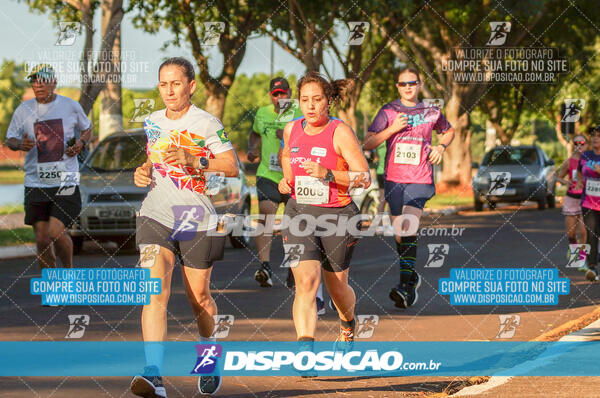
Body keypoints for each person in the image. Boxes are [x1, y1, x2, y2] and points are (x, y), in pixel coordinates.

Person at [129, 57, 238, 397]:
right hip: (155, 213)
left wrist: (195, 159)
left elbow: (232, 166)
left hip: (195, 217)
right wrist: (142, 171)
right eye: (163, 83)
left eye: (176, 83)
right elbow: (153, 160)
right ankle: (154, 375)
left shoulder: (206, 123)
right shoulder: (152, 121)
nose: (169, 90)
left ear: (191, 86)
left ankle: (209, 354)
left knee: (199, 299)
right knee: (154, 290)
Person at [278, 71, 370, 347]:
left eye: (317, 99)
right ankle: (305, 348)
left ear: (329, 100)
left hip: (338, 216)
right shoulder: (291, 129)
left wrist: (328, 173)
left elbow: (364, 177)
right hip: (299, 214)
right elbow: (286, 155)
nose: (310, 106)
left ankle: (348, 321)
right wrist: (287, 179)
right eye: (304, 100)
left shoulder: (340, 132)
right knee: (306, 282)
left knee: (337, 288)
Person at [363, 67, 455, 309]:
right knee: (399, 233)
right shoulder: (388, 111)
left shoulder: (431, 111)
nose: (407, 87)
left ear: (419, 84)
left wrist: (441, 147)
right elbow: (369, 142)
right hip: (394, 177)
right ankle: (412, 277)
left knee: (408, 225)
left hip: (420, 177)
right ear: (397, 86)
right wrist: (392, 129)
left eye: (411, 83)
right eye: (402, 84)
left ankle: (404, 286)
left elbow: (448, 130)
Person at [6, 64, 92, 269]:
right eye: (34, 81)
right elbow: (10, 139)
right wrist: (20, 144)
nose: (38, 84)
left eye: (43, 80)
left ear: (54, 82)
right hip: (36, 183)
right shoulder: (23, 109)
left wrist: (81, 144)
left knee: (56, 232)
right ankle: (52, 284)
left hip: (66, 182)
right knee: (42, 239)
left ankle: (68, 272)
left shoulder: (70, 106)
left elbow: (87, 128)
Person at [248, 77, 302, 288]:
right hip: (268, 174)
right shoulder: (262, 113)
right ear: (271, 95)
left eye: (283, 93)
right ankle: (265, 265)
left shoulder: (299, 111)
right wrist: (252, 149)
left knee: (294, 224)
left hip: (293, 177)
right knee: (266, 212)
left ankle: (294, 268)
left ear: (290, 93)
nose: (280, 98)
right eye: (275, 94)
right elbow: (254, 134)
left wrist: (291, 136)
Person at [556, 134, 588, 269]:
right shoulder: (569, 161)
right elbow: (559, 177)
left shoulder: (590, 161)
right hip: (571, 199)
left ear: (587, 145)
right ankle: (575, 253)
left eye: (582, 143)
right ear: (573, 145)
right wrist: (565, 182)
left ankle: (582, 261)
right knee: (571, 234)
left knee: (584, 231)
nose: (579, 145)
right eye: (576, 143)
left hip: (586, 199)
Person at [575, 126, 600, 282]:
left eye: (599, 136)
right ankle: (592, 267)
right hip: (589, 202)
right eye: (594, 136)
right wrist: (579, 182)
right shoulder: (585, 155)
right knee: (591, 234)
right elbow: (579, 170)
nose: (596, 138)